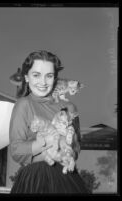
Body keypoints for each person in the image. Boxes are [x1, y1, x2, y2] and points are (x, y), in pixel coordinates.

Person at [9, 50, 90, 194]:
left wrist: (69, 156)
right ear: (26, 77)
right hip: (34, 181)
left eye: (49, 76)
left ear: (55, 78)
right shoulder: (23, 104)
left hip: (67, 179)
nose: (43, 82)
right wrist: (44, 144)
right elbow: (16, 150)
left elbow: (76, 146)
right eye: (36, 75)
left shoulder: (70, 107)